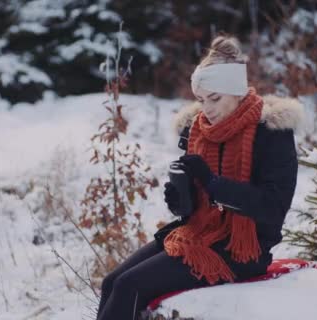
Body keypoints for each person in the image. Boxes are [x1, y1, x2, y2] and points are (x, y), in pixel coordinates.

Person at [95, 34, 304, 320]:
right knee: (112, 283)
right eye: (201, 99)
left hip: (242, 250)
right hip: (198, 234)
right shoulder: (199, 131)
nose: (207, 109)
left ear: (237, 91)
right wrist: (181, 199)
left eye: (215, 98)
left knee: (129, 287)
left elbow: (272, 207)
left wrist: (213, 184)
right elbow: (196, 210)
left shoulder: (271, 133)